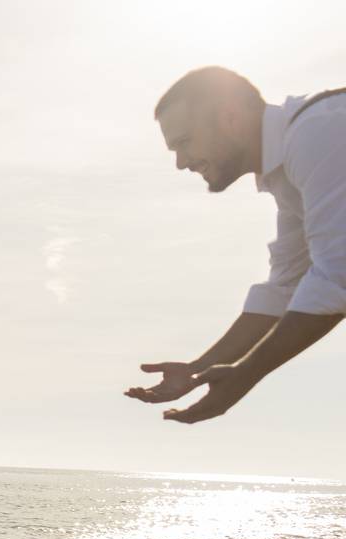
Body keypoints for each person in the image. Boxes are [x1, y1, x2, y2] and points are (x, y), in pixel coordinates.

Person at [126, 66, 346, 423]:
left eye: (184, 142)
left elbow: (337, 277)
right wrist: (199, 369)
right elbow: (284, 289)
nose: (181, 163)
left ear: (230, 116)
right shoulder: (287, 170)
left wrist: (245, 374)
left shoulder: (317, 132)